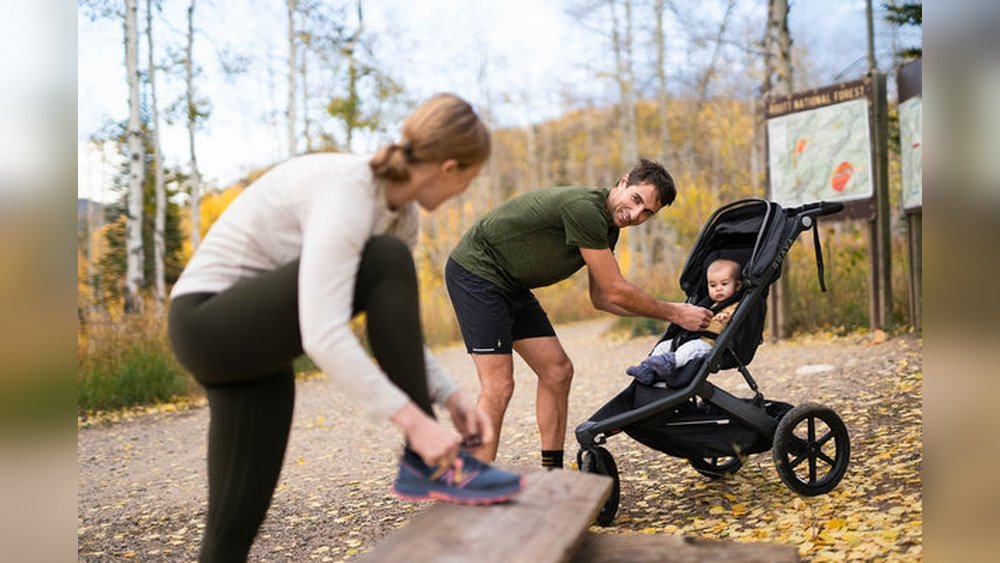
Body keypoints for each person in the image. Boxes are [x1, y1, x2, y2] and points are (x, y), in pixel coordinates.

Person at [168, 93, 523, 563]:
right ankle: (424, 464)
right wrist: (417, 426)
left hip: (259, 347)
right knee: (385, 258)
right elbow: (323, 334)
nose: (464, 191)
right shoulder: (350, 189)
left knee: (230, 534)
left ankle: (424, 461)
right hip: (206, 322)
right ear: (449, 167)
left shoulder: (402, 217)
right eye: (469, 179)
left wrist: (451, 396)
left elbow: (398, 336)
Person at [444, 158, 714, 469]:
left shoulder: (608, 228)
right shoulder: (585, 209)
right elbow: (615, 290)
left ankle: (552, 471)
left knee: (557, 371)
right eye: (636, 199)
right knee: (499, 384)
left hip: (511, 285)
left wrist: (667, 314)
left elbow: (602, 298)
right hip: (476, 272)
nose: (635, 215)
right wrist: (675, 313)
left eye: (647, 212)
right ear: (623, 182)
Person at [626, 258, 743, 387]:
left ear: (737, 285)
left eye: (724, 284)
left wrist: (726, 317)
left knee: (690, 349)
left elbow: (735, 317)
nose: (718, 289)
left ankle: (668, 364)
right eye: (713, 285)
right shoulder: (708, 303)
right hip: (690, 339)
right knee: (664, 346)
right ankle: (646, 369)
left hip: (708, 344)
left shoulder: (735, 305)